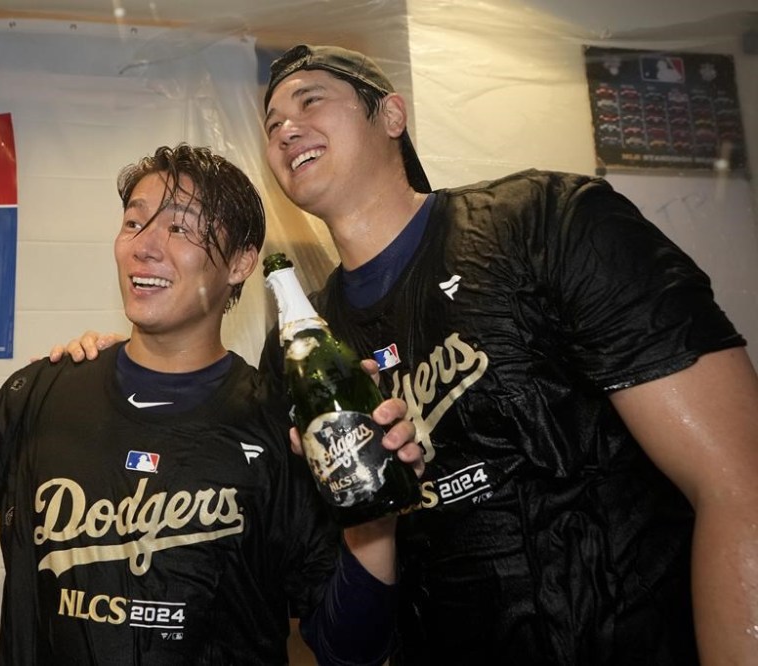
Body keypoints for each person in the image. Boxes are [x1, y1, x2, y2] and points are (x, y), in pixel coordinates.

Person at [58, 46, 758, 665]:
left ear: (391, 115)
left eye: (311, 101)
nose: (285, 128)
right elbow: (341, 628)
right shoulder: (301, 355)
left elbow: (738, 484)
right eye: (271, 124)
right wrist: (125, 362)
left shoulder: (544, 223)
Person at [0, 144, 423, 665]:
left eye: (179, 228)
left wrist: (373, 525)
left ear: (243, 262)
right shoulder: (43, 392)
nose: (144, 246)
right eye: (133, 221)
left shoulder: (284, 425)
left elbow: (353, 649)